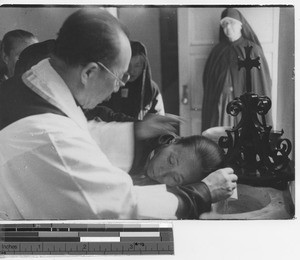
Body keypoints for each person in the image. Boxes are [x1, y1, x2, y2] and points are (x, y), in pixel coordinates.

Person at [0, 8, 237, 220]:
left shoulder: (39, 79)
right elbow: (118, 204)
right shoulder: (51, 135)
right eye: (118, 77)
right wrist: (202, 192)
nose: (120, 86)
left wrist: (134, 131)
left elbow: (79, 134)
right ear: (89, 73)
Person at [201, 8, 272, 132]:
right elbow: (208, 84)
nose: (228, 28)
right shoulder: (217, 51)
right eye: (224, 24)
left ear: (240, 26)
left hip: (244, 108)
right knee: (220, 138)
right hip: (221, 105)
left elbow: (262, 85)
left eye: (231, 23)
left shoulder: (253, 50)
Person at [128, 134, 225, 187]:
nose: (161, 173)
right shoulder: (138, 135)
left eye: (175, 178)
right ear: (174, 141)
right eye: (170, 161)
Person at [101, 40, 165, 120]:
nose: (132, 71)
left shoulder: (152, 89)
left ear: (144, 66)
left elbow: (158, 119)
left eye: (137, 65)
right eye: (128, 65)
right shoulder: (111, 85)